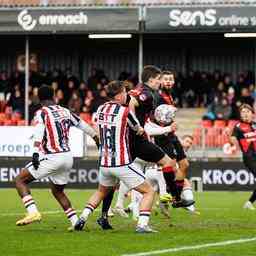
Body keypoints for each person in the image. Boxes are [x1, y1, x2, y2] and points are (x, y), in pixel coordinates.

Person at [74, 80, 156, 233]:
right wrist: (140, 131)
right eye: (125, 92)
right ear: (119, 95)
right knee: (149, 191)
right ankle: (142, 225)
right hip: (121, 163)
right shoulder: (125, 111)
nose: (127, 95)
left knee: (100, 191)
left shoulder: (100, 109)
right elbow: (137, 128)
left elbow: (98, 130)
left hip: (105, 162)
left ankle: (83, 218)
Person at [14, 85, 99, 228]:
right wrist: (96, 138)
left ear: (39, 98)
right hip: (67, 157)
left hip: (52, 156)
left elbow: (39, 132)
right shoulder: (65, 111)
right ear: (53, 96)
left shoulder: (42, 113)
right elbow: (82, 125)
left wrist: (35, 152)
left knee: (19, 180)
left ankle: (32, 212)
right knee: (57, 191)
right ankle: (75, 222)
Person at [129, 66, 192, 208]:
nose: (165, 82)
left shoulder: (164, 95)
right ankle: (168, 196)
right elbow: (133, 104)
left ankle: (173, 197)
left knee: (178, 165)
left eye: (171, 79)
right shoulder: (153, 95)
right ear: (154, 80)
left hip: (160, 134)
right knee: (168, 166)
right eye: (162, 79)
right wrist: (136, 125)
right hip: (154, 136)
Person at [226, 104, 256, 210]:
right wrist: (229, 137)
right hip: (249, 158)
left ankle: (249, 203)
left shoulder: (255, 125)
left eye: (247, 112)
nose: (245, 114)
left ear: (252, 113)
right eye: (243, 112)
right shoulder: (238, 127)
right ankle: (249, 203)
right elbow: (233, 141)